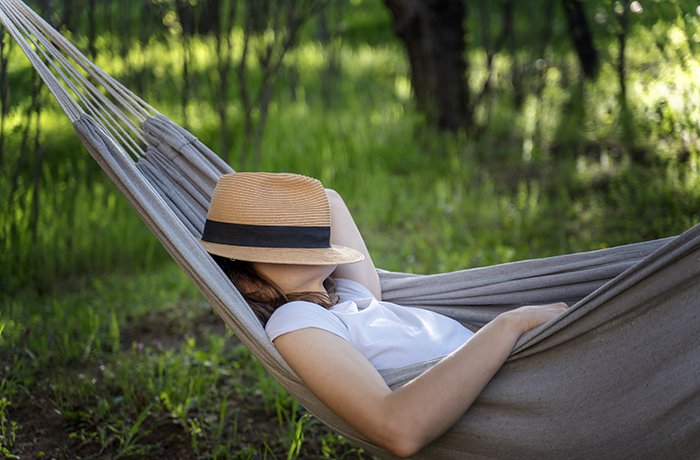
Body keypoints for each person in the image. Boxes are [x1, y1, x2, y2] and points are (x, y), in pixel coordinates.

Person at [200, 172, 567, 457]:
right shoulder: (297, 320)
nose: (310, 244)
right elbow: (399, 429)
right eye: (282, 246)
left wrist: (285, 200)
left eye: (306, 231)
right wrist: (511, 323)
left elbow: (330, 200)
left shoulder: (350, 296)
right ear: (249, 285)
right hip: (515, 399)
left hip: (529, 375)